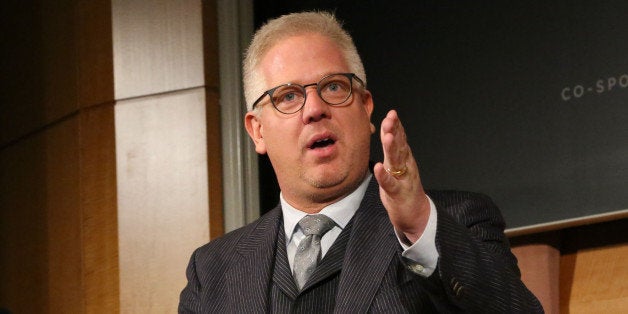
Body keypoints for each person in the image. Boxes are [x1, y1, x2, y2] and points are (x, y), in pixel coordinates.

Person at [179, 11, 542, 313]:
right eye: (288, 96)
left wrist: (419, 228)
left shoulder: (458, 219)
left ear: (365, 106)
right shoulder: (212, 271)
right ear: (257, 131)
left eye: (334, 87)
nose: (316, 109)